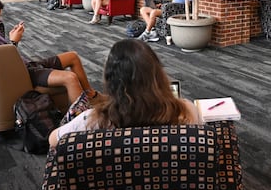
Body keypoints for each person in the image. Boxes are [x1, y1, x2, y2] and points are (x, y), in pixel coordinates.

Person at [48, 39, 202, 148]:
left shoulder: (93, 120)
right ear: (158, 75)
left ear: (111, 81)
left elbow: (53, 140)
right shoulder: (186, 111)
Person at [0, 0, 99, 104]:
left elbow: (4, 52)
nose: (0, 19)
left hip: (28, 65)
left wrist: (12, 40)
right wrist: (14, 42)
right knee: (70, 78)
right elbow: (4, 65)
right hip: (23, 73)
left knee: (73, 56)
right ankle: (81, 120)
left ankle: (90, 95)